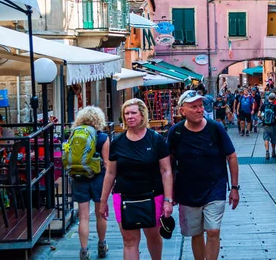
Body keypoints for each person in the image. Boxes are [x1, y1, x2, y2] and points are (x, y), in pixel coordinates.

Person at [168, 90, 239, 260]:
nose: (199, 110)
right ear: (182, 110)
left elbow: (231, 156)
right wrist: (169, 194)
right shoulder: (175, 133)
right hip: (187, 190)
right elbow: (169, 165)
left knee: (213, 230)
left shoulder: (216, 128)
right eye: (194, 107)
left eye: (200, 106)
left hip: (215, 187)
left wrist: (234, 188)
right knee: (196, 233)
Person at [99, 99, 173, 260]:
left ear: (142, 115)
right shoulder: (118, 142)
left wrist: (168, 199)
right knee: (129, 240)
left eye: (133, 113)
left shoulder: (155, 139)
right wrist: (103, 201)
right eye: (126, 113)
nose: (130, 116)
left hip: (153, 195)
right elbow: (110, 173)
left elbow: (166, 170)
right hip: (125, 197)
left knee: (153, 236)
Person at [71, 106, 110, 260]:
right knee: (101, 215)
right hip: (98, 178)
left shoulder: (74, 134)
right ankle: (101, 245)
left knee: (84, 217)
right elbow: (107, 163)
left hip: (79, 178)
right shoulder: (102, 137)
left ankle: (84, 251)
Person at [259, 93, 276, 160]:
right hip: (273, 125)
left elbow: (258, 114)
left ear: (268, 98)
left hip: (265, 125)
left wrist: (262, 119)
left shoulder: (264, 105)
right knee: (273, 139)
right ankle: (273, 151)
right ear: (274, 99)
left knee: (266, 138)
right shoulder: (275, 106)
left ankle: (267, 152)